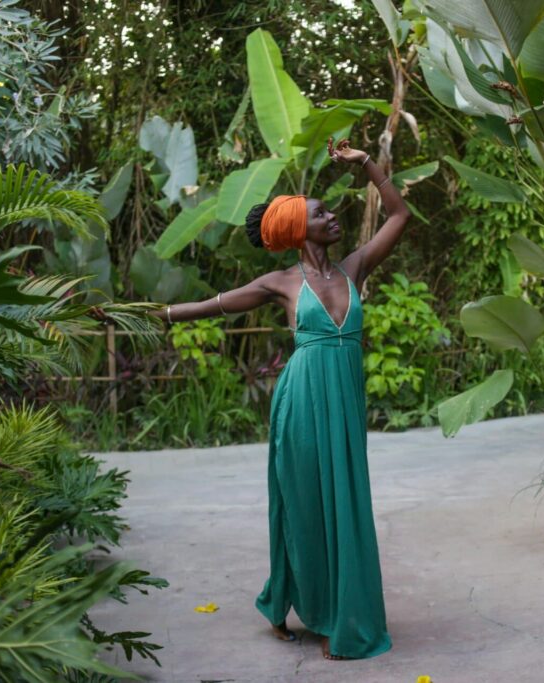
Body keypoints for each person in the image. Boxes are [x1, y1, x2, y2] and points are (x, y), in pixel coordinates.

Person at [157, 138, 410, 660]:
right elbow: (210, 306)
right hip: (301, 403)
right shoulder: (281, 282)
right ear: (300, 230)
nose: (334, 215)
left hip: (343, 401)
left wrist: (365, 164)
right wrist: (151, 314)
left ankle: (341, 616)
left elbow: (400, 214)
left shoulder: (354, 268)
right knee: (303, 506)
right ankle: (294, 605)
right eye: (322, 214)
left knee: (346, 505)